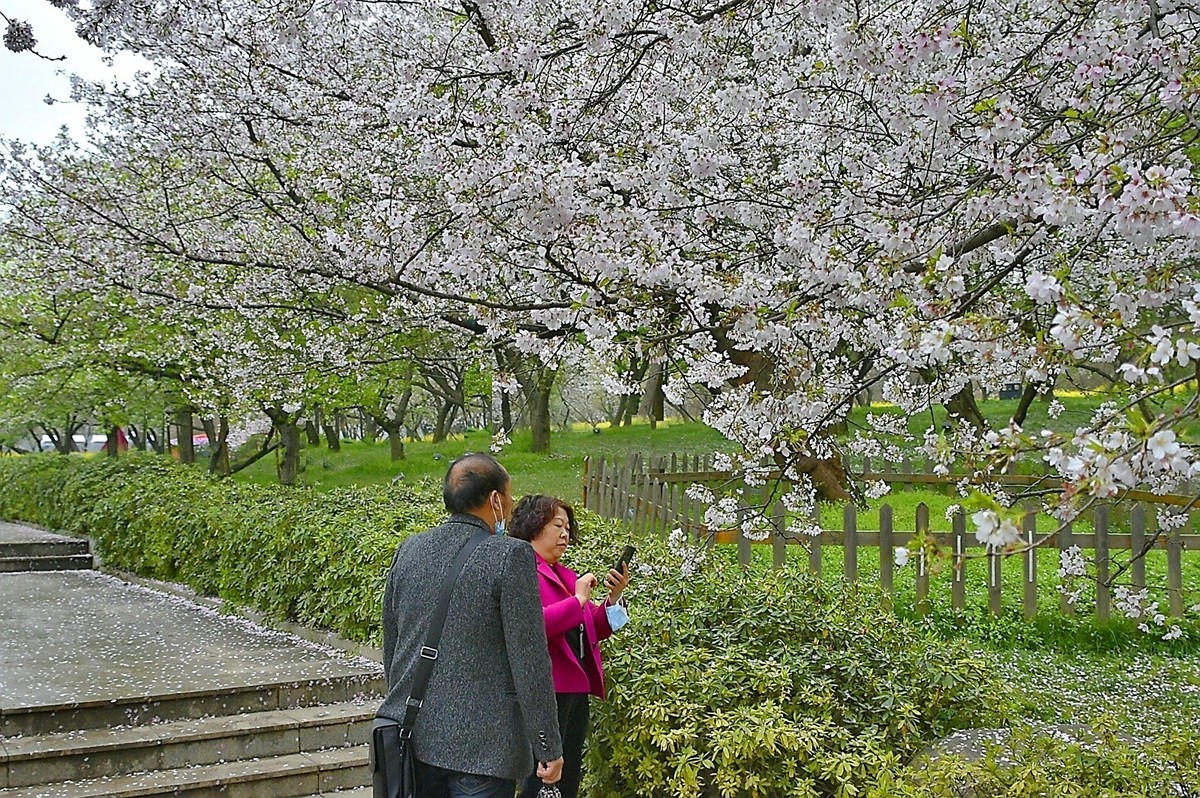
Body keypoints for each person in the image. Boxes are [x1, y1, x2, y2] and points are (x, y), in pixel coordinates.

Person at [378, 453, 564, 798]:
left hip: (412, 739)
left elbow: (393, 644)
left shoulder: (409, 549)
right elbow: (530, 659)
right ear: (495, 499)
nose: (509, 507)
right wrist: (548, 745)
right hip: (485, 752)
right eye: (509, 497)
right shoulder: (510, 555)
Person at [508, 494, 632, 798]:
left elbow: (592, 628)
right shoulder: (520, 571)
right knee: (542, 780)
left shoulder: (565, 575)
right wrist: (576, 601)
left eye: (567, 527)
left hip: (574, 691)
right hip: (545, 692)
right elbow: (533, 627)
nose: (565, 534)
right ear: (534, 526)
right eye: (557, 525)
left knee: (569, 776)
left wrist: (613, 599)